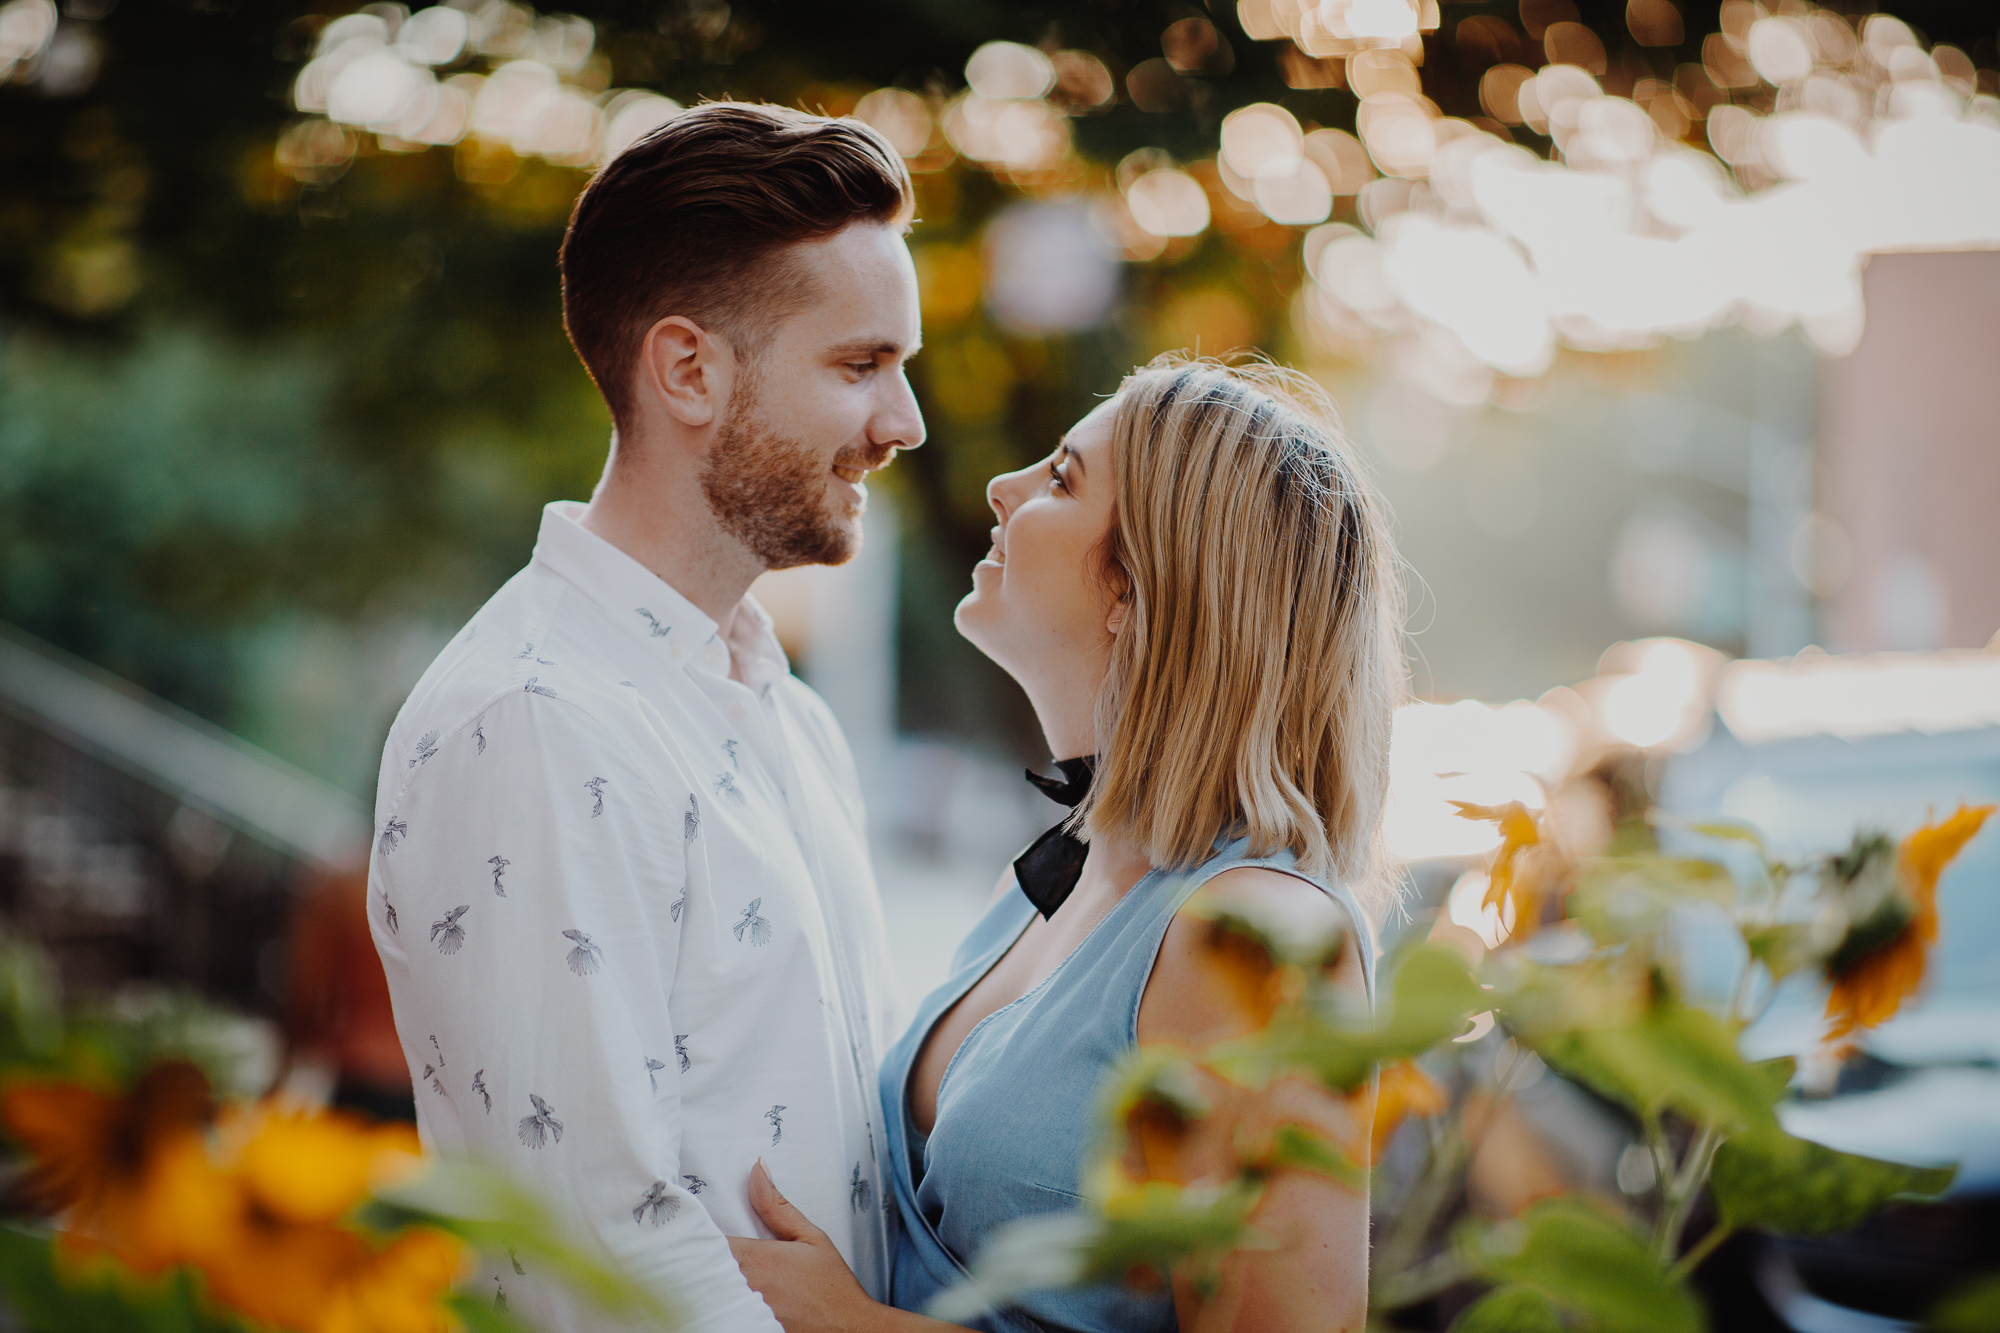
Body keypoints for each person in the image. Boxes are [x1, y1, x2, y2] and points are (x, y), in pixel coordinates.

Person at [367, 102, 925, 1332]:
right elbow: (594, 1262)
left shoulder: (786, 716)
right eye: (858, 366)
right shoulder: (532, 719)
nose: (903, 425)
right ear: (687, 369)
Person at [730, 356, 1404, 1332]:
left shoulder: (1257, 934)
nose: (1000, 489)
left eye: (1058, 479)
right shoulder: (1060, 875)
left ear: (1137, 588)